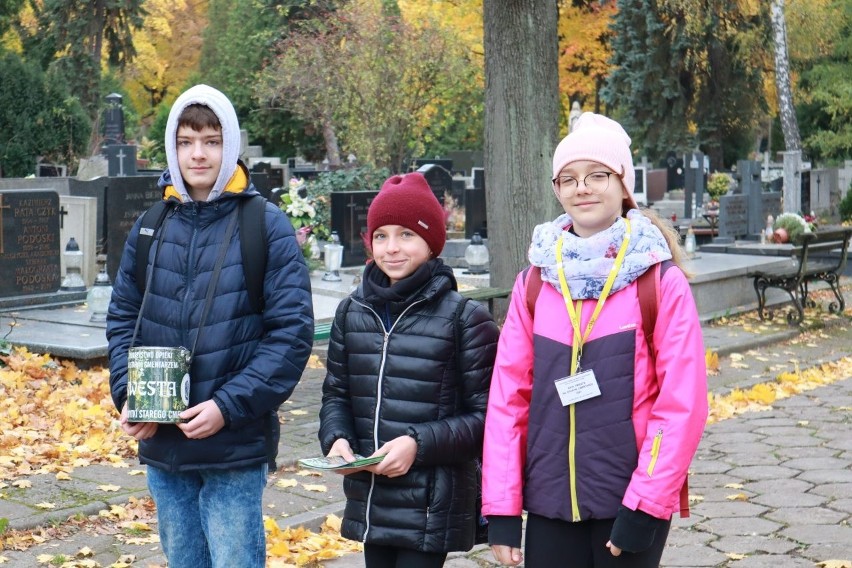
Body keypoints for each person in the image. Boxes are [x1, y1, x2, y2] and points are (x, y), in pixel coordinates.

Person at [482, 112, 708, 568]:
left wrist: (646, 503)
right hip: (548, 503)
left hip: (627, 500)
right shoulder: (534, 283)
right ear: (557, 189)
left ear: (623, 183)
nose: (581, 187)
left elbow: (681, 404)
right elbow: (508, 400)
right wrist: (502, 510)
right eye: (568, 178)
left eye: (597, 175)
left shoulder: (659, 282)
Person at [106, 84, 314, 568]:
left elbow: (290, 335)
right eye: (185, 141)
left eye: (211, 140)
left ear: (231, 145)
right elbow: (123, 319)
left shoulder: (265, 225)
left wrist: (226, 406)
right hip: (163, 443)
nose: (197, 154)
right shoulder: (151, 224)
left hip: (233, 446)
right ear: (172, 147)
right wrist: (129, 395)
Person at [319, 172, 500, 568]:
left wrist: (418, 444)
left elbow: (487, 419)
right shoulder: (353, 312)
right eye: (381, 235)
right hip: (370, 496)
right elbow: (336, 393)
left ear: (430, 242)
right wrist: (336, 438)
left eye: (406, 234)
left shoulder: (464, 319)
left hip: (431, 504)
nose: (391, 248)